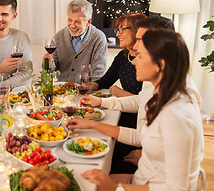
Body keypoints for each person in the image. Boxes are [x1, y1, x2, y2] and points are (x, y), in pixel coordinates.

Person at [68, 29, 204, 190]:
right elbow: (140, 136)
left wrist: (114, 188)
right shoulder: (159, 95)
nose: (133, 62)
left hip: (149, 185)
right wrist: (91, 125)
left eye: (140, 56)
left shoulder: (178, 115)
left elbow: (176, 189)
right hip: (141, 179)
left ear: (160, 65)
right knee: (75, 179)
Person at [44, 0, 107, 83]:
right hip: (62, 89)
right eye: (70, 20)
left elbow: (98, 74)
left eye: (77, 21)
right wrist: (48, 63)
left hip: (86, 90)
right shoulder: (59, 36)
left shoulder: (98, 38)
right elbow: (52, 70)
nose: (72, 25)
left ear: (88, 22)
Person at [90, 13, 147, 98]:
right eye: (117, 30)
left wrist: (122, 94)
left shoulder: (149, 60)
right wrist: (92, 85)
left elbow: (150, 103)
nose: (117, 34)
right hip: (123, 107)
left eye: (122, 29)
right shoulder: (122, 56)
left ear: (136, 30)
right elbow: (105, 81)